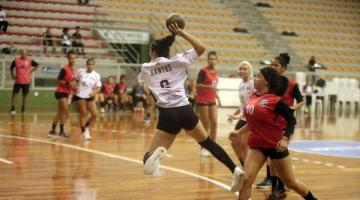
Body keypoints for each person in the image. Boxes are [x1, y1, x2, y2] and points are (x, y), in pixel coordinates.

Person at [139, 23, 244, 193]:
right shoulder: (179, 60)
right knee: (208, 142)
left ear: (152, 52)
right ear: (167, 52)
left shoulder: (146, 68)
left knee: (147, 160)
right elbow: (202, 47)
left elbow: (145, 89)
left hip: (167, 114)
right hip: (186, 111)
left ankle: (155, 157)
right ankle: (235, 170)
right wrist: (180, 33)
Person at [229, 67, 318, 200]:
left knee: (291, 182)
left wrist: (285, 139)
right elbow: (254, 121)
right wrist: (238, 132)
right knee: (246, 181)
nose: (255, 78)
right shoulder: (253, 96)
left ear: (267, 82)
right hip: (257, 145)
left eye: (258, 76)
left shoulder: (275, 100)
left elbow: (291, 120)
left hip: (274, 145)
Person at [265, 53, 304, 199]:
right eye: (272, 65)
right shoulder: (268, 84)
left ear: (283, 68)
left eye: (276, 65)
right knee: (272, 160)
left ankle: (279, 189)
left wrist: (294, 108)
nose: (273, 67)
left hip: (284, 125)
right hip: (271, 125)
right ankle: (277, 189)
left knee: (277, 159)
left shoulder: (292, 84)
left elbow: (300, 101)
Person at [227, 61, 255, 167]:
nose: (242, 71)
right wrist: (234, 114)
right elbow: (243, 104)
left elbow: (253, 102)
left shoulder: (253, 83)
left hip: (250, 118)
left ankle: (247, 170)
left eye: (245, 69)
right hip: (243, 118)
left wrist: (239, 115)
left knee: (244, 145)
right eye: (241, 69)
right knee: (234, 141)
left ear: (250, 70)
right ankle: (244, 164)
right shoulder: (241, 84)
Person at [196, 51, 221, 156]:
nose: (212, 60)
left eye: (214, 58)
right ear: (207, 60)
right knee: (206, 124)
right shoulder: (203, 71)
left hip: (212, 100)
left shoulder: (216, 72)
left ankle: (213, 147)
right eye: (210, 58)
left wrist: (217, 97)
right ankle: (204, 147)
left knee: (214, 123)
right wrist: (209, 87)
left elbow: (214, 88)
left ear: (216, 60)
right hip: (203, 100)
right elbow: (197, 85)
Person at [48, 51, 77, 138]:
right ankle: (61, 131)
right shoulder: (65, 69)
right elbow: (58, 80)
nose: (73, 60)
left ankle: (52, 130)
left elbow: (73, 82)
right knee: (64, 111)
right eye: (71, 58)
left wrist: (74, 87)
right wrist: (68, 84)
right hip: (60, 92)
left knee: (60, 112)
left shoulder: (74, 70)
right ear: (68, 59)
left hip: (67, 93)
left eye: (74, 58)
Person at [73, 58, 101, 140]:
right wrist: (73, 86)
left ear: (94, 65)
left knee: (94, 115)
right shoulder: (80, 71)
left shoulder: (96, 75)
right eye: (88, 64)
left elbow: (98, 87)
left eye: (92, 64)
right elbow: (75, 80)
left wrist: (94, 92)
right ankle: (84, 132)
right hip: (80, 95)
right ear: (86, 65)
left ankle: (85, 127)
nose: (90, 66)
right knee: (83, 114)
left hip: (90, 96)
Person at [9, 50, 40, 114]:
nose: (23, 54)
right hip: (18, 81)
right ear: (20, 53)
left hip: (26, 81)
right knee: (14, 94)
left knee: (25, 96)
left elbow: (37, 65)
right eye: (22, 53)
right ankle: (13, 108)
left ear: (27, 54)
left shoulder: (30, 60)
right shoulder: (16, 60)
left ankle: (23, 109)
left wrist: (31, 71)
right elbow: (11, 68)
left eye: (25, 53)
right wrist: (12, 75)